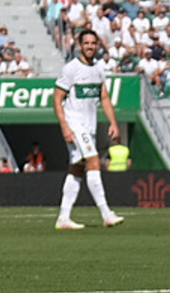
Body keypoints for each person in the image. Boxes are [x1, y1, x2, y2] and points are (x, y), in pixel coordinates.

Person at [53, 29, 124, 229]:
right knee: (93, 161)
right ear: (80, 45)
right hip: (74, 124)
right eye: (86, 43)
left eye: (93, 43)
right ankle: (106, 213)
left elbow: (104, 97)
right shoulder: (71, 69)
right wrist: (65, 126)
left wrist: (113, 122)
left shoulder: (99, 69)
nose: (90, 46)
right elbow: (57, 99)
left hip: (89, 125)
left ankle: (63, 217)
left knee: (76, 168)